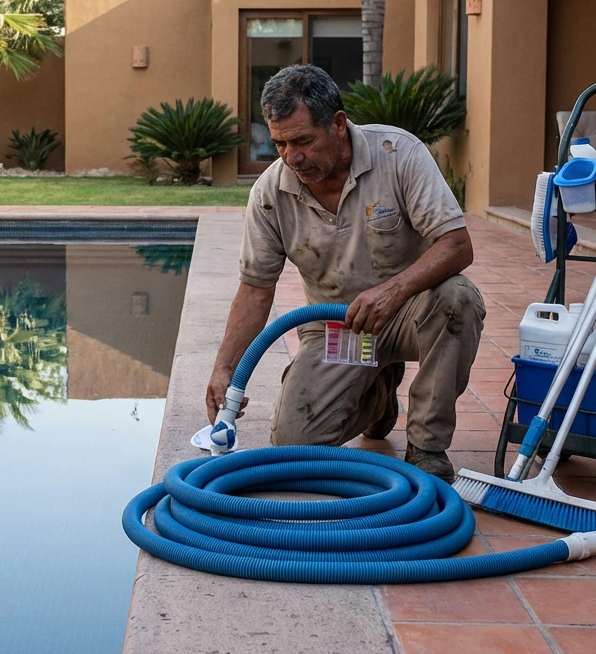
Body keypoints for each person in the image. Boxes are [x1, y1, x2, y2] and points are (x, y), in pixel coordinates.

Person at [204, 65, 485, 482]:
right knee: (293, 446)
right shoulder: (270, 193)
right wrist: (225, 368)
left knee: (459, 298)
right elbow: (255, 289)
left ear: (337, 124)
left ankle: (427, 446)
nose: (291, 157)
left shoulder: (399, 154)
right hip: (338, 329)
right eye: (279, 143)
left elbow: (457, 245)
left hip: (409, 314)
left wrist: (393, 292)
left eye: (303, 141)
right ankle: (378, 395)